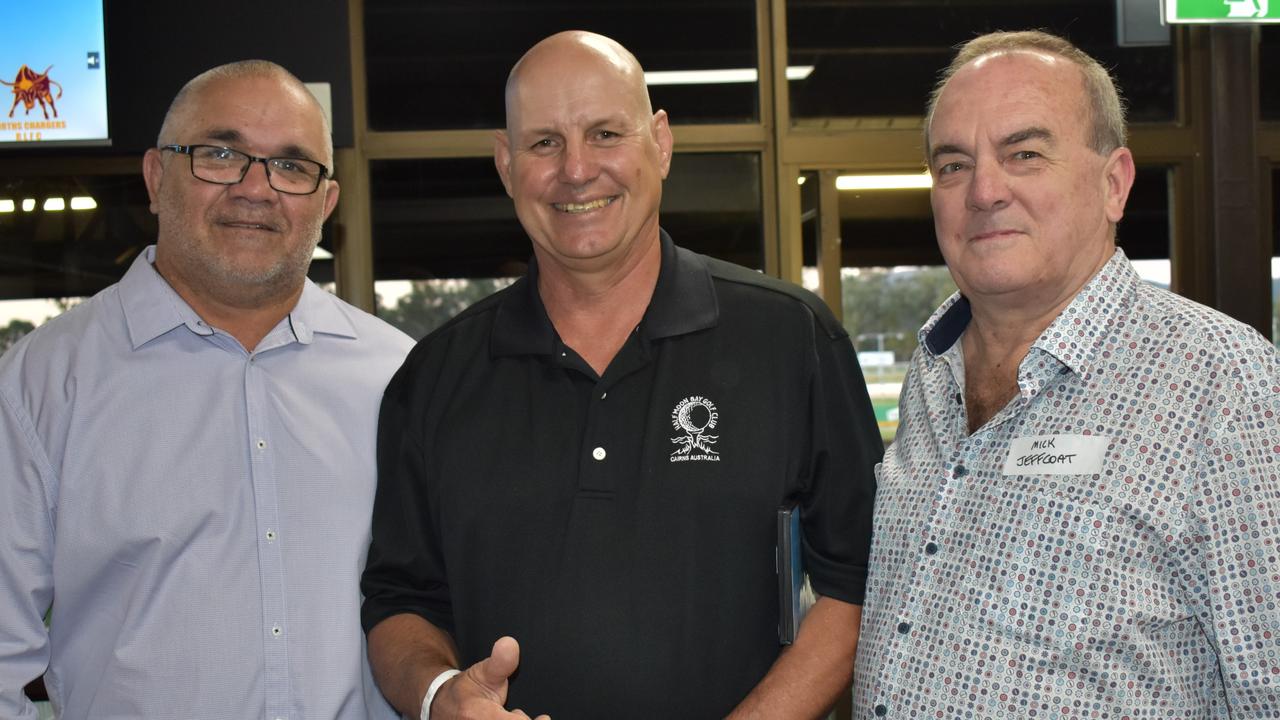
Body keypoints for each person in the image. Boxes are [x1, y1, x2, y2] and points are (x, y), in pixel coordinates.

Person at [361, 31, 881, 720]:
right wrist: (437, 696)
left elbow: (865, 581)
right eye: (544, 143)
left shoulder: (792, 339)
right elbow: (400, 601)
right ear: (505, 163)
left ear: (660, 144)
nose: (577, 170)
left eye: (605, 133)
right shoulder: (434, 375)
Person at [854, 30, 1280, 717]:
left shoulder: (1228, 385)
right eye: (953, 165)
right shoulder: (932, 372)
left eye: (1024, 154)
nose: (984, 191)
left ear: (1114, 185)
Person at [0, 60, 413, 718]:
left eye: (291, 165)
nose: (257, 188)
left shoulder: (399, 378)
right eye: (220, 154)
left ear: (326, 201)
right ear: (156, 177)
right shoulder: (43, 384)